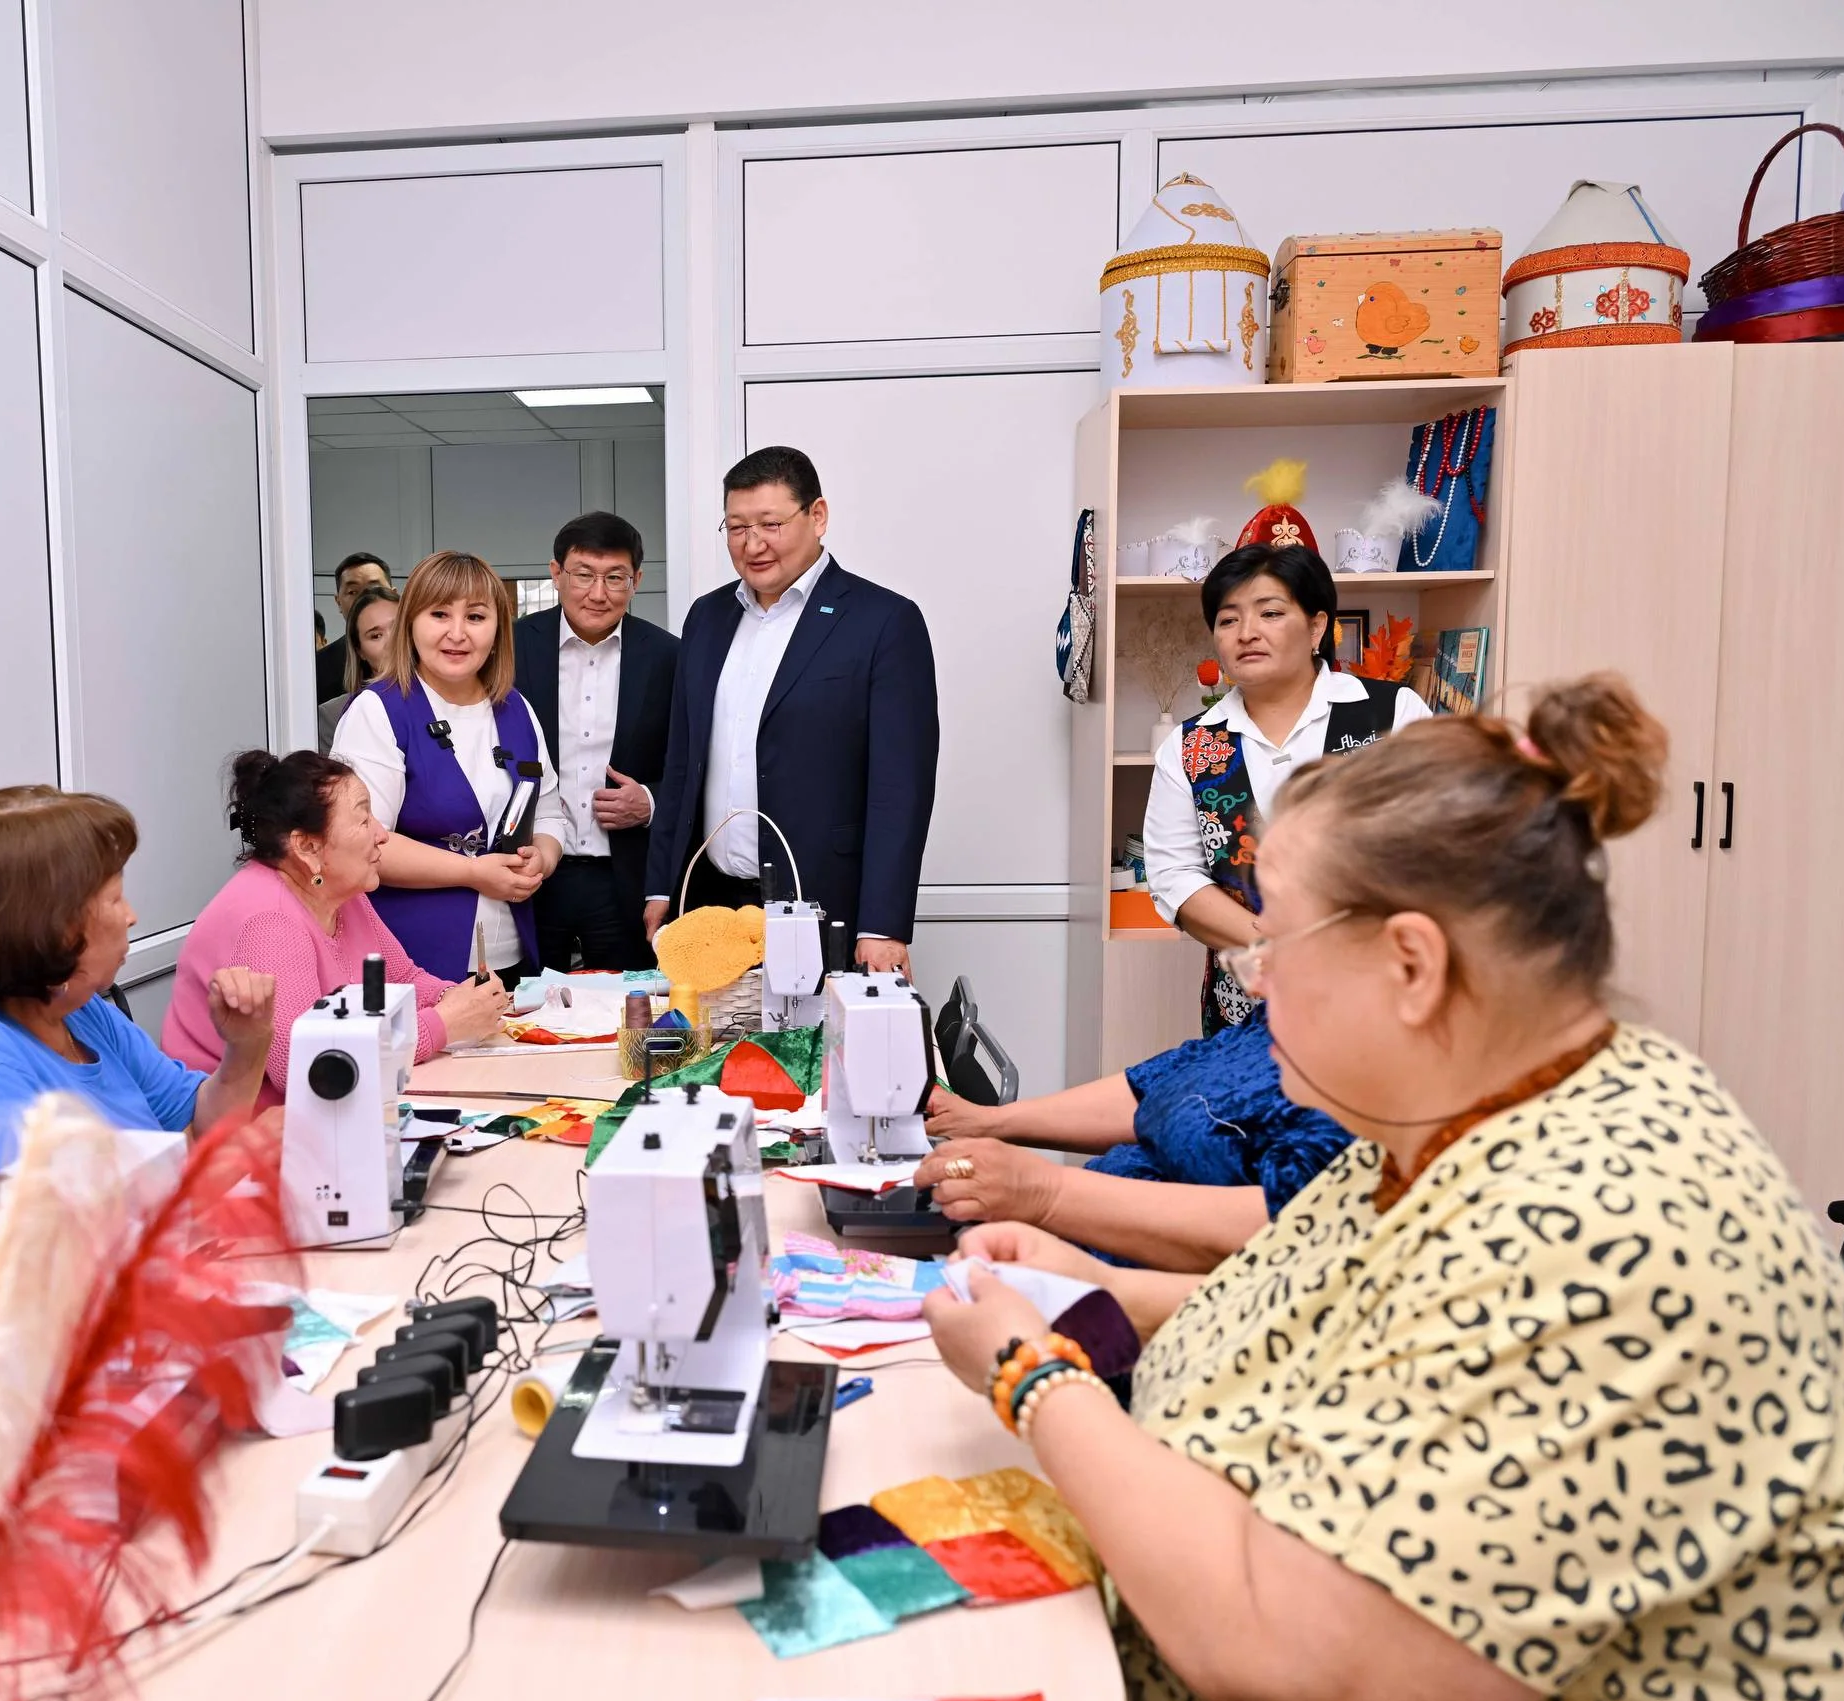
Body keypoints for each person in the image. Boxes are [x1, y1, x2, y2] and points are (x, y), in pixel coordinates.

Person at [922, 676, 1844, 1701]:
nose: (1256, 980)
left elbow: (1291, 1651)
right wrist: (1090, 1292)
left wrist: (1033, 1376)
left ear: (1411, 965)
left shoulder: (1613, 1227)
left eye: (1273, 944)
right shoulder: (1445, 1116)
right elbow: (1311, 1305)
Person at [0, 785, 275, 1251]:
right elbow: (47, 1257)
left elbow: (202, 1126)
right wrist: (234, 1155)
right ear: (54, 930)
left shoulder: (76, 1010)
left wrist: (247, 1045)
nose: (131, 916)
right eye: (115, 898)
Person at [644, 447, 938, 974]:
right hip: (710, 903)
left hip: (824, 900)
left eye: (770, 524)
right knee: (711, 1031)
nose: (752, 544)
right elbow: (683, 762)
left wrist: (882, 926)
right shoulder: (707, 618)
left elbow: (901, 788)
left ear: (817, 516)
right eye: (737, 527)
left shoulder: (883, 621)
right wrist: (662, 884)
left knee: (813, 1031)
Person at [1144, 542, 1428, 1034]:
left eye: (1270, 613)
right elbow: (1174, 875)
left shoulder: (1393, 714)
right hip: (1249, 1007)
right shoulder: (1189, 746)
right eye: (1228, 620)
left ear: (1317, 627)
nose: (1246, 632)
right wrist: (1277, 947)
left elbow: (1441, 843)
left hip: (1384, 993)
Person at [164, 750, 512, 1101]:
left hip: (334, 1108)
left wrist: (458, 999)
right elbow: (304, 1067)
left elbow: (402, 978)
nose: (382, 834)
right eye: (363, 820)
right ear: (307, 846)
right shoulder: (269, 920)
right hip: (247, 1123)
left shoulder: (340, 892)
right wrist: (443, 1024)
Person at [912, 1004, 1351, 1271]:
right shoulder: (1278, 1020)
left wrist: (1045, 1193)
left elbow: (1292, 1225)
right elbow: (1154, 1087)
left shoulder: (1357, 1094)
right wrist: (986, 1120)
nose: (1253, 976)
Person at [330, 550, 568, 984]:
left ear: (497, 630)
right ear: (411, 622)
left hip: (512, 958)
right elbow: (360, 842)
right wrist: (473, 873)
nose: (457, 633)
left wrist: (543, 858)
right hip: (410, 961)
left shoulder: (516, 708)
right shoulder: (377, 712)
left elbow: (549, 809)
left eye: (475, 617)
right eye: (439, 614)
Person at [513, 511, 677, 972]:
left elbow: (692, 763)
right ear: (556, 573)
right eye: (584, 575)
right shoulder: (511, 647)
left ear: (636, 580)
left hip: (624, 879)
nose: (598, 593)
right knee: (527, 1002)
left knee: (629, 1005)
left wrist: (650, 801)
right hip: (531, 872)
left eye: (615, 578)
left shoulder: (669, 657)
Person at [316, 582, 401, 752]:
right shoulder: (334, 715)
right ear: (359, 651)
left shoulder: (445, 696)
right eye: (376, 636)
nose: (391, 642)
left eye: (398, 628)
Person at [312, 551, 393, 714]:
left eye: (375, 588)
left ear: (393, 593)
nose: (366, 598)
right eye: (353, 592)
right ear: (338, 602)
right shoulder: (317, 668)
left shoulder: (426, 657)